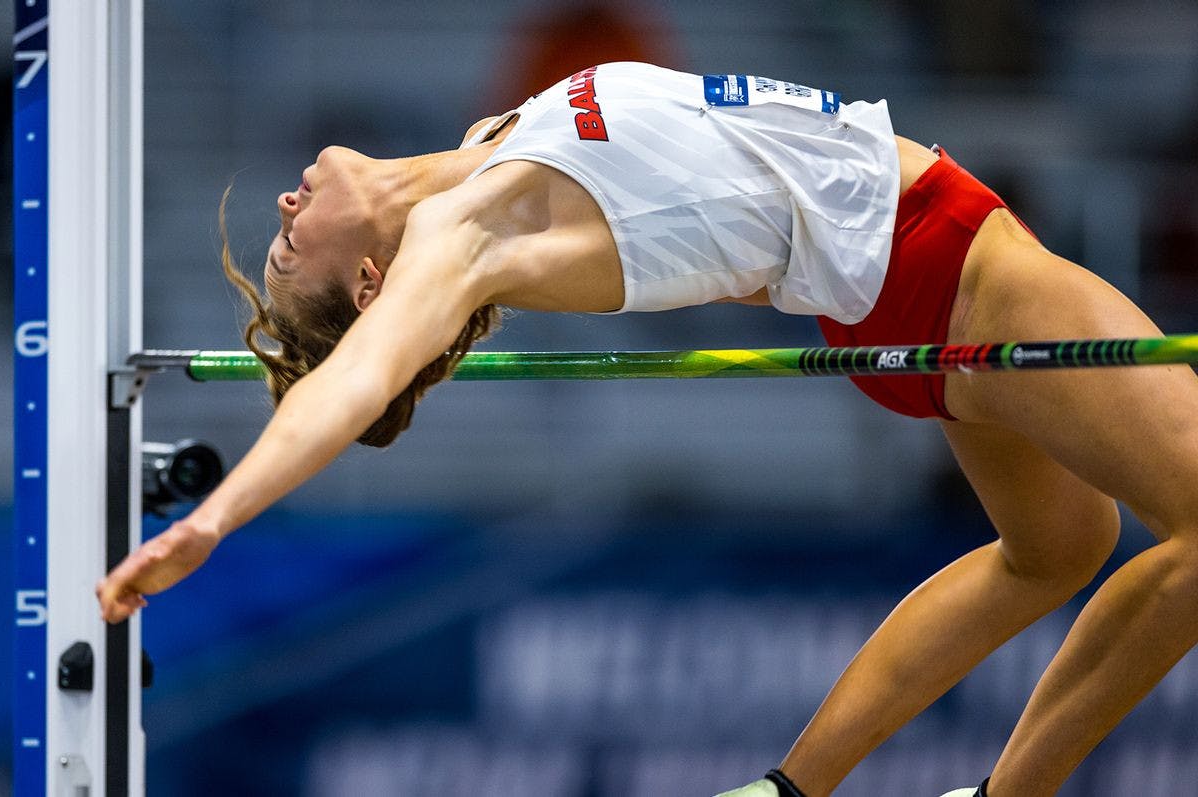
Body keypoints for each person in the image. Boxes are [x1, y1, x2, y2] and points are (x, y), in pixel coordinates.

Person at [96, 62, 1198, 797]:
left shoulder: (489, 146)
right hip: (945, 264)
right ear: (376, 278)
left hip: (890, 304)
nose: (285, 213)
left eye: (280, 235)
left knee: (1055, 548)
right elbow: (356, 380)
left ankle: (789, 788)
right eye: (297, 252)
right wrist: (222, 516)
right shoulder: (459, 237)